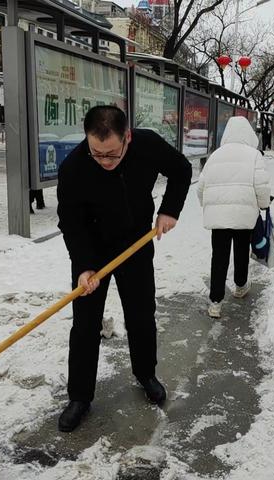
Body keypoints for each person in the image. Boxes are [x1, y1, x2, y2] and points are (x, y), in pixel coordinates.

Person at [56, 106, 192, 432]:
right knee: (86, 324)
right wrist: (85, 266)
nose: (104, 161)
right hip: (93, 251)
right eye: (97, 154)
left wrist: (169, 210)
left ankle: (146, 373)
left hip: (135, 244)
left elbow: (181, 169)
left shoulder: (146, 145)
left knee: (141, 314)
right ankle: (80, 396)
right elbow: (71, 223)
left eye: (112, 154)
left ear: (127, 138)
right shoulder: (74, 167)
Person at [197, 116, 271, 319]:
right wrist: (264, 204)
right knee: (241, 251)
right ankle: (240, 287)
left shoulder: (215, 156)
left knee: (218, 258)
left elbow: (201, 188)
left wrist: (210, 206)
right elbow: (261, 186)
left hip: (218, 218)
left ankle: (215, 303)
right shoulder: (254, 155)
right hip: (244, 216)